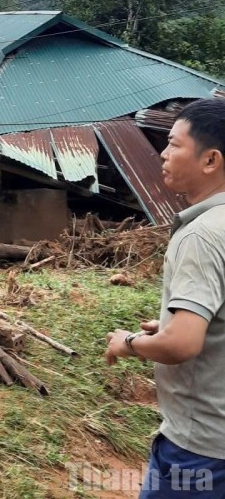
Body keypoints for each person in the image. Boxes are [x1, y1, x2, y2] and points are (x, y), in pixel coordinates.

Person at [105, 98, 225, 497]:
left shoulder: (201, 235)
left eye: (174, 144)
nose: (162, 153)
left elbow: (181, 345)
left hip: (202, 447)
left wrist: (129, 343)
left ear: (210, 160)